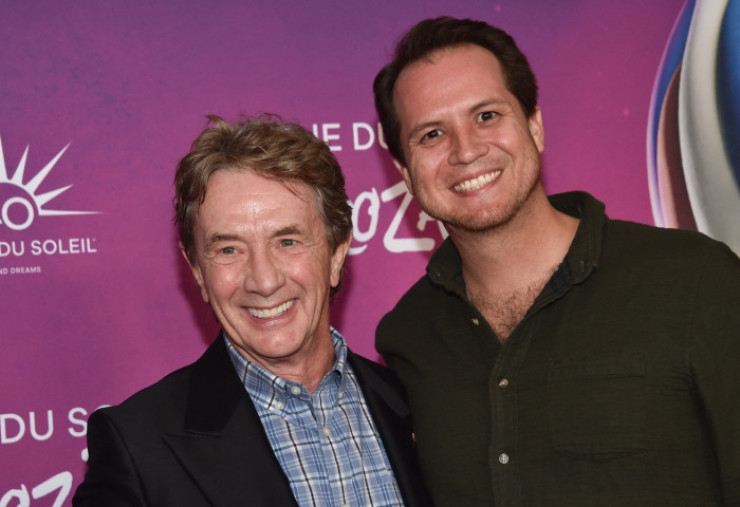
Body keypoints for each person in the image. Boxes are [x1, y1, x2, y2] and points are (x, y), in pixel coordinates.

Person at [373, 16, 740, 506]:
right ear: (404, 170)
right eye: (432, 134)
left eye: (487, 115)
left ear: (535, 126)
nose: (466, 151)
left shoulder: (694, 280)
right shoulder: (410, 336)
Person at [73, 115, 431, 507]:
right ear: (197, 269)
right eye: (229, 249)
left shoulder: (418, 401)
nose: (263, 280)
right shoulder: (138, 447)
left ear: (336, 253)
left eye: (287, 241)